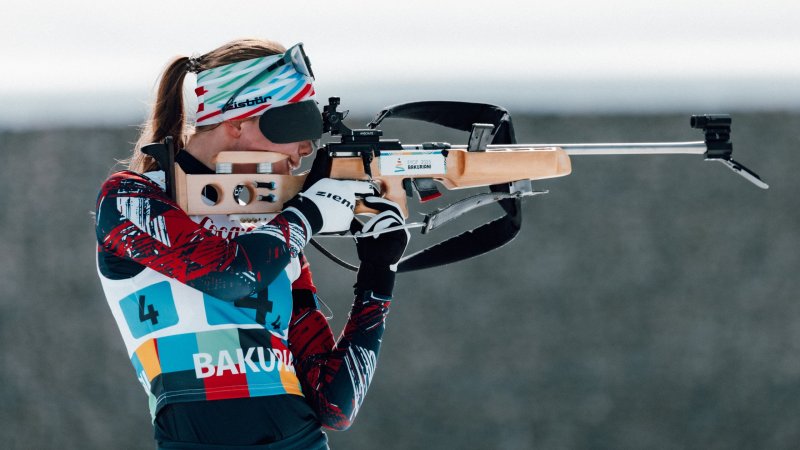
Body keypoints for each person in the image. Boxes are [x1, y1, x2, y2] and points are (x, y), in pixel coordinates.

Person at [94, 38, 409, 449]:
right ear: (238, 121)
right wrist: (308, 214)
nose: (302, 153)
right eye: (295, 126)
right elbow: (229, 275)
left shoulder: (271, 228)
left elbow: (334, 404)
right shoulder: (132, 200)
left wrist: (379, 272)